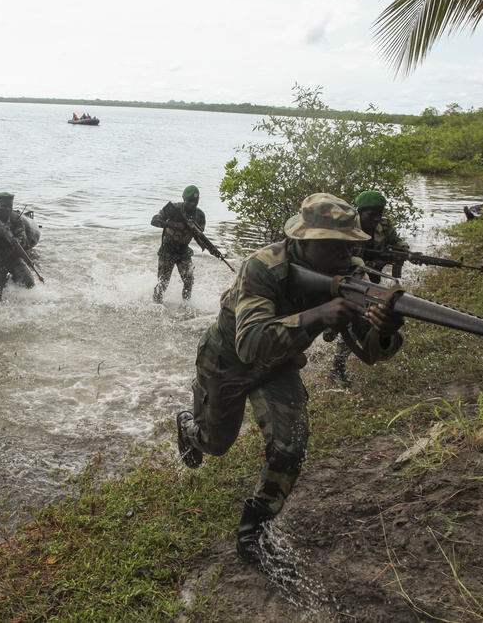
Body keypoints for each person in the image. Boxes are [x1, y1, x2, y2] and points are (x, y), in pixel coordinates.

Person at [175, 193, 405, 570]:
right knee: (216, 444)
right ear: (304, 242)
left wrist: (384, 329)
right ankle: (189, 427)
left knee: (290, 445)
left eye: (352, 247)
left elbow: (371, 353)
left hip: (279, 366)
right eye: (337, 248)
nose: (347, 259)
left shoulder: (351, 276)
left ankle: (254, 534)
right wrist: (317, 315)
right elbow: (249, 345)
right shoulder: (262, 267)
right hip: (227, 363)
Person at [328, 190, 409, 387]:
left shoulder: (385, 226)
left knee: (361, 319)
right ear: (359, 212)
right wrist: (371, 264)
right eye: (371, 215)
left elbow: (396, 243)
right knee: (353, 319)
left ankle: (337, 362)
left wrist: (403, 252)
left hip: (370, 282)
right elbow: (344, 261)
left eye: (379, 214)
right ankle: (337, 365)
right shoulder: (348, 228)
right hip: (349, 280)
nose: (376, 219)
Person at [150, 185, 206, 303]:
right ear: (184, 199)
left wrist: (205, 245)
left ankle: (186, 306)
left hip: (183, 251)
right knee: (163, 283)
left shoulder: (200, 216)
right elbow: (154, 220)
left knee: (189, 281)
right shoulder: (174, 209)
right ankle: (156, 305)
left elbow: (199, 235)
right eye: (190, 201)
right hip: (167, 249)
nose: (192, 204)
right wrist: (174, 225)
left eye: (195, 201)